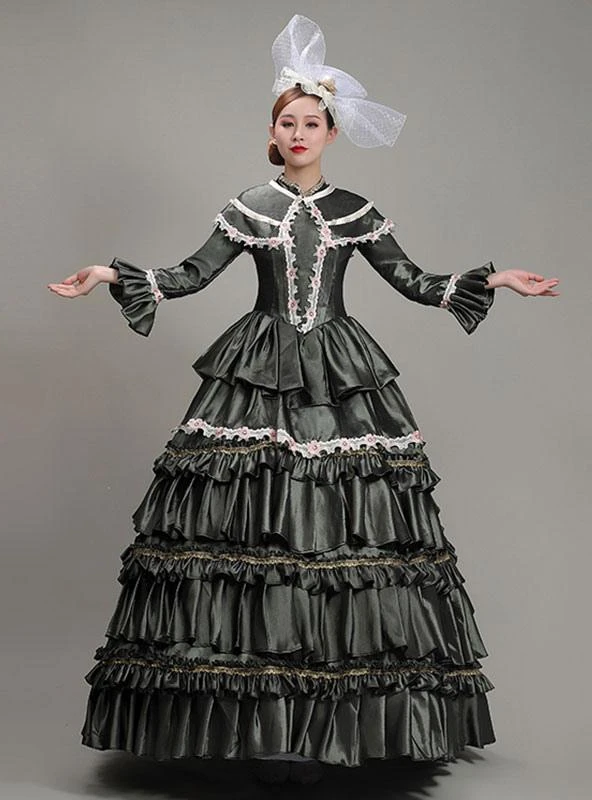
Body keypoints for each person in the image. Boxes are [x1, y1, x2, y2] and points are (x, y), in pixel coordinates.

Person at [48, 14, 559, 787]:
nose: (298, 133)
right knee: (249, 532)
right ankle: (257, 729)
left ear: (331, 132)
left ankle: (332, 727)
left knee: (340, 537)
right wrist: (110, 274)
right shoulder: (249, 204)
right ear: (272, 131)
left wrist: (495, 279)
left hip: (336, 373)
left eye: (311, 123)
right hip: (257, 370)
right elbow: (188, 275)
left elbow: (416, 282)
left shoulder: (355, 209)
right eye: (287, 122)